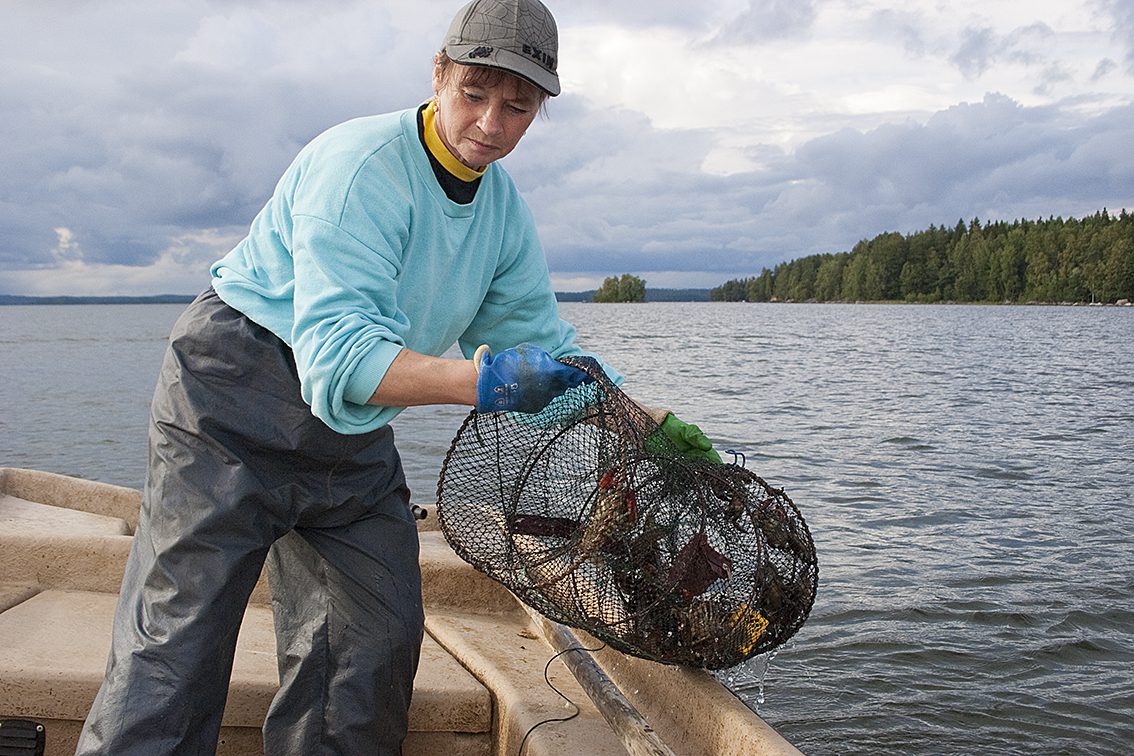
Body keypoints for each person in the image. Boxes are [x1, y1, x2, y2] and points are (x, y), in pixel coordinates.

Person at [77, 0, 716, 753]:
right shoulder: (361, 169)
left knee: (373, 642)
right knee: (177, 645)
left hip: (349, 435)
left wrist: (645, 422)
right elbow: (342, 356)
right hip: (231, 392)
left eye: (517, 107)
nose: (490, 123)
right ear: (438, 74)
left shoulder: (503, 213)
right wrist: (487, 386)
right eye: (474, 93)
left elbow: (546, 353)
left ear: (539, 109)